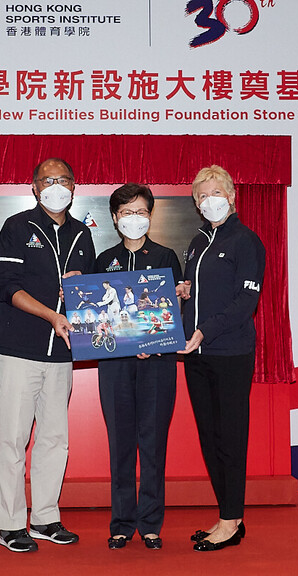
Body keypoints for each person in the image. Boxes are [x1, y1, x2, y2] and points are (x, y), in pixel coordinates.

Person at [0, 158, 95, 552]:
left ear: (74, 185)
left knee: (55, 438)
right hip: (20, 349)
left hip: (64, 351)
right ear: (34, 186)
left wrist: (84, 287)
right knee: (14, 439)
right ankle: (11, 523)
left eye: (64, 179)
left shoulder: (82, 234)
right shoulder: (18, 227)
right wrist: (51, 313)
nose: (56, 186)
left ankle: (45, 518)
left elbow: (93, 291)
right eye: (48, 180)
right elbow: (7, 287)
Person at [176, 165, 265, 552]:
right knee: (210, 437)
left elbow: (245, 301)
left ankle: (231, 521)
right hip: (197, 356)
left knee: (230, 439)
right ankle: (227, 516)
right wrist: (183, 291)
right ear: (196, 203)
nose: (209, 199)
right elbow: (203, 291)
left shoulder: (246, 241)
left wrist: (204, 331)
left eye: (216, 192)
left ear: (232, 196)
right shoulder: (197, 242)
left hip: (229, 353)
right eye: (201, 195)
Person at [93, 183, 183, 550]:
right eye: (127, 213)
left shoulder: (166, 257)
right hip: (115, 365)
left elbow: (172, 314)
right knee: (121, 445)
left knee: (153, 443)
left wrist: (152, 341)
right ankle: (121, 522)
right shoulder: (104, 260)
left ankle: (150, 523)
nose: (135, 219)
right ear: (115, 219)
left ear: (150, 215)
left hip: (157, 365)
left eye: (141, 212)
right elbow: (98, 312)